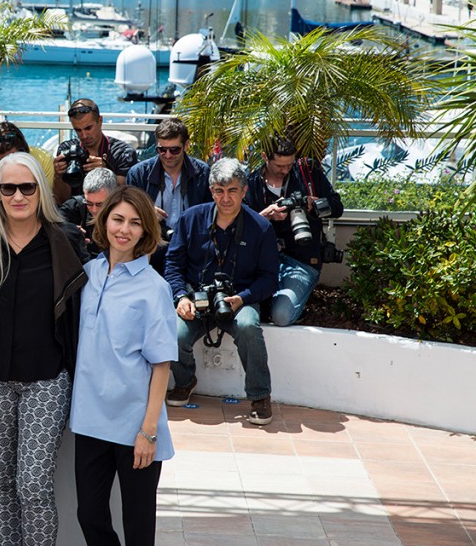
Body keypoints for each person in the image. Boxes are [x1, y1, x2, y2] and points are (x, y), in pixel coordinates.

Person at [0, 151, 88, 545]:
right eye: (8, 188)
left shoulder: (63, 238)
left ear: (40, 191)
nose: (18, 196)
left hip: (47, 377)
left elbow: (87, 298)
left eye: (26, 187)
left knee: (32, 484)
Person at [71, 187, 177, 546]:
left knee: (138, 526)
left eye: (135, 223)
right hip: (90, 421)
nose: (124, 229)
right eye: (118, 219)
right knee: (89, 516)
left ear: (146, 232)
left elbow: (161, 365)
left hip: (136, 426)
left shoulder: (155, 288)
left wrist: (148, 432)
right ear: (104, 221)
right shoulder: (87, 275)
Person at [163, 158, 279, 426]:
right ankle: (185, 380)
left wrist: (243, 298)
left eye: (232, 190)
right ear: (211, 190)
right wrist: (180, 297)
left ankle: (260, 396)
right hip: (197, 298)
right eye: (218, 190)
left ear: (244, 191)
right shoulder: (190, 218)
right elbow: (173, 264)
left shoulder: (261, 228)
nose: (225, 198)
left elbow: (269, 279)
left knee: (249, 326)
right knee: (172, 330)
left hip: (239, 298)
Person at [246, 137, 344, 326]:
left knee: (281, 316)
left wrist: (315, 205)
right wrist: (264, 216)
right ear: (265, 156)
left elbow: (337, 207)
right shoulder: (252, 184)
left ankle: (294, 304)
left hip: (302, 260)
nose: (285, 170)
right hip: (264, 262)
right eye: (279, 166)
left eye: (289, 165)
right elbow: (240, 225)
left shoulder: (307, 172)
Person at [126, 117, 211, 273]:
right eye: (161, 150)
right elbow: (127, 212)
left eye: (174, 150)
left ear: (186, 145)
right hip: (151, 245)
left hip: (190, 246)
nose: (167, 155)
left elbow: (209, 214)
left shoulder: (202, 173)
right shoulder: (138, 174)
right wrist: (146, 212)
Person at [54, 98, 136, 197]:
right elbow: (62, 200)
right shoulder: (67, 149)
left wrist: (106, 172)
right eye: (78, 130)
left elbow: (124, 196)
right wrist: (58, 176)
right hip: (74, 210)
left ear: (100, 121)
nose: (84, 135)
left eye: (88, 128)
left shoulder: (122, 153)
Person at [0, 121, 62, 204]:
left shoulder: (43, 160)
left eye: (12, 158)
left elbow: (47, 200)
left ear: (23, 151)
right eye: (1, 162)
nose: (8, 166)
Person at [58, 167, 118, 257]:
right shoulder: (76, 205)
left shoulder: (125, 213)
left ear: (114, 197)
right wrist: (70, 230)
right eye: (89, 203)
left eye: (100, 204)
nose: (94, 210)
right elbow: (52, 225)